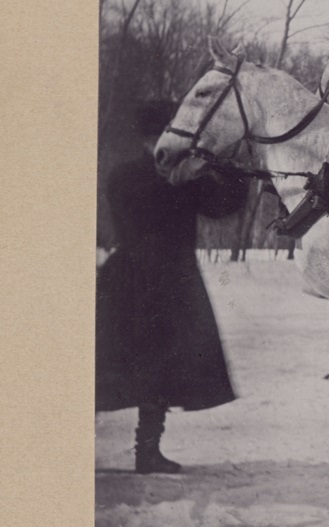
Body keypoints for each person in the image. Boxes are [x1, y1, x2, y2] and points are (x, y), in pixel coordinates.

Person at [95, 99, 249, 473]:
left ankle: (148, 452)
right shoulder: (129, 175)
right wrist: (183, 176)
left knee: (160, 370)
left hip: (171, 282)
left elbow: (224, 206)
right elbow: (141, 205)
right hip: (136, 280)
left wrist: (226, 170)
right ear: (158, 134)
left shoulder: (180, 176)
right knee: (103, 368)